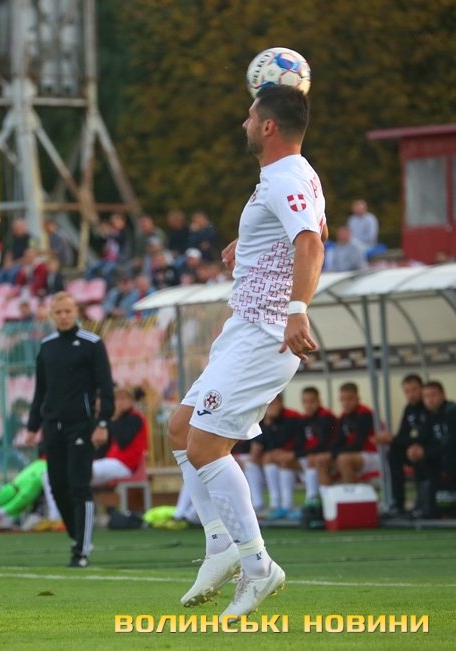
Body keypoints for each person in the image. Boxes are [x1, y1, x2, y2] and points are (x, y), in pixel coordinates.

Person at [167, 85, 327, 619]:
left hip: (266, 332)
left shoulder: (285, 177)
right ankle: (219, 544)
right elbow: (313, 228)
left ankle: (257, 567)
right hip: (245, 328)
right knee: (180, 431)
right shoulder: (293, 176)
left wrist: (298, 309)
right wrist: (252, 247)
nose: (244, 123)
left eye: (250, 115)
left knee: (208, 447)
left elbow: (311, 241)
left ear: (268, 126)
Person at [26, 291, 114, 568]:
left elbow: (105, 386)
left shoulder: (92, 343)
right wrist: (33, 426)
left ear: (76, 312)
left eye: (68, 311)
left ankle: (81, 551)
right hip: (53, 426)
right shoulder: (47, 346)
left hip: (81, 426)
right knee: (57, 486)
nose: (64, 316)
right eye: (59, 312)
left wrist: (102, 422)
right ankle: (78, 535)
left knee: (79, 485)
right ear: (51, 315)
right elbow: (41, 390)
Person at [377, 374, 426, 517]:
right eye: (407, 391)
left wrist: (395, 439)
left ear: (422, 388)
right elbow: (402, 435)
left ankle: (422, 503)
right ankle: (398, 503)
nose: (411, 394)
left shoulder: (428, 406)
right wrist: (392, 439)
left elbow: (426, 436)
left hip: (427, 449)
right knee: (394, 453)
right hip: (413, 448)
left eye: (414, 390)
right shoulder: (409, 409)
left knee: (417, 455)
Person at [406, 380, 456, 519]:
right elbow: (423, 438)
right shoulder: (427, 415)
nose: (430, 400)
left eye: (433, 395)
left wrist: (426, 452)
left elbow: (451, 442)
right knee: (419, 460)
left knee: (447, 459)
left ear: (443, 395)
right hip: (439, 454)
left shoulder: (452, 412)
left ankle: (447, 507)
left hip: (451, 454)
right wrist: (415, 449)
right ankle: (425, 505)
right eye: (426, 396)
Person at [257, 394, 305, 520]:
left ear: (281, 403)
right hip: (283, 457)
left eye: (273, 404)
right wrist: (268, 424)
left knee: (283, 461)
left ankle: (287, 505)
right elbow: (269, 445)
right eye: (268, 405)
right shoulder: (267, 419)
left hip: (300, 456)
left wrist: (290, 454)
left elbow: (296, 441)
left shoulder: (292, 417)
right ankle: (275, 503)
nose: (270, 407)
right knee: (268, 458)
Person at [91, 386, 149, 485]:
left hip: (125, 465)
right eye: (117, 399)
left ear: (131, 401)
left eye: (124, 398)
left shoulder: (135, 417)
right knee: (82, 473)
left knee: (85, 471)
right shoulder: (119, 419)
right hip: (113, 462)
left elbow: (123, 440)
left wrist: (115, 418)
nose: (120, 402)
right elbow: (104, 448)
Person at [0, 399, 30, 481]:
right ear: (18, 409)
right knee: (22, 462)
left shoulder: (13, 417)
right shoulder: (14, 418)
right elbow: (24, 425)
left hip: (6, 444)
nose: (24, 412)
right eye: (23, 409)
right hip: (6, 445)